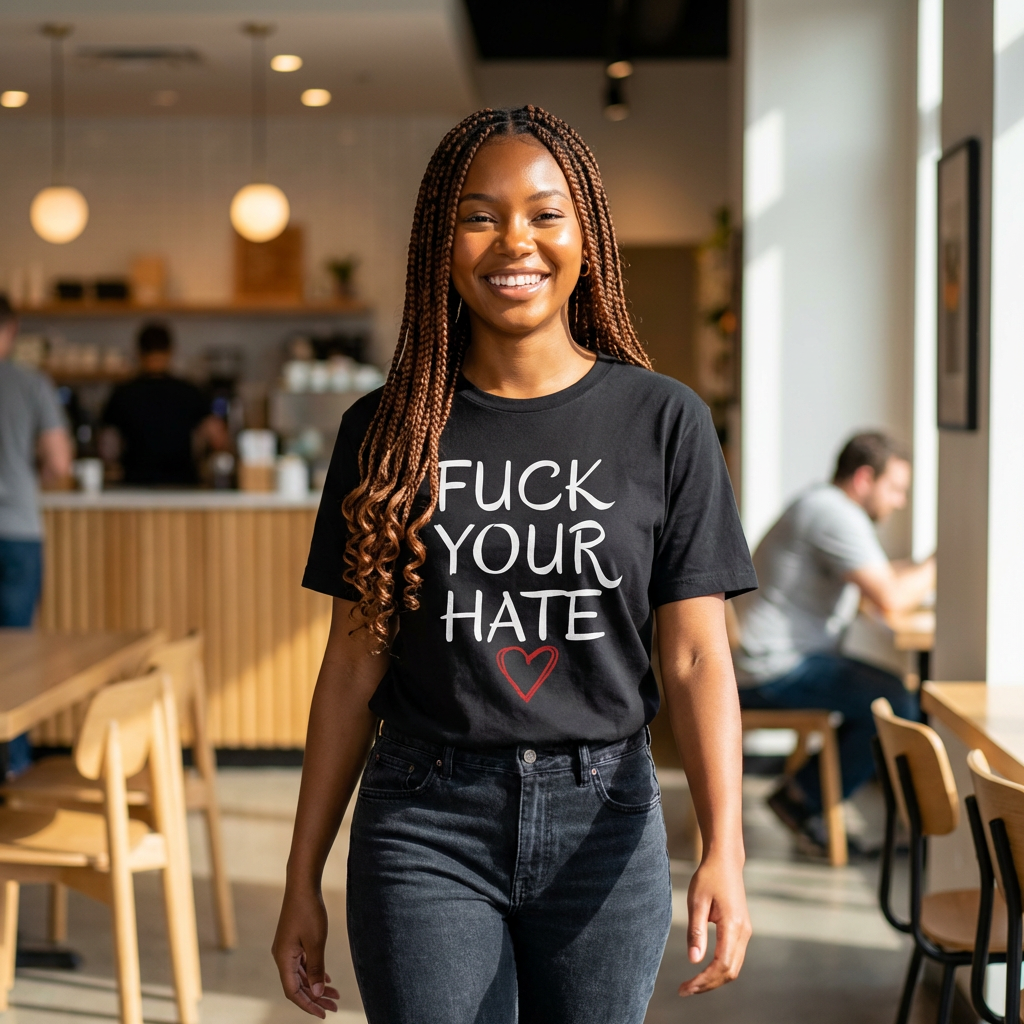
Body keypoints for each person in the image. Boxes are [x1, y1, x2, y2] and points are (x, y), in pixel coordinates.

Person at [272, 106, 759, 1024]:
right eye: (478, 215)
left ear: (588, 235)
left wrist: (724, 849)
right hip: (424, 820)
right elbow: (351, 662)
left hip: (605, 815)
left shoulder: (665, 421)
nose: (514, 242)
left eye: (545, 213)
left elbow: (697, 658)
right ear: (440, 243)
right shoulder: (382, 431)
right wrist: (303, 874)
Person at [733, 431, 935, 849]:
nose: (899, 502)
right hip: (771, 669)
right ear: (864, 478)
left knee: (883, 695)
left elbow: (878, 578)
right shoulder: (835, 515)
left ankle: (802, 795)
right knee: (896, 701)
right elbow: (891, 596)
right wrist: (942, 559)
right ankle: (802, 798)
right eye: (895, 489)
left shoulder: (821, 505)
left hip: (763, 659)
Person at [0, 294, 73, 774]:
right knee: (16, 654)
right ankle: (14, 764)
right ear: (12, 327)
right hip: (17, 531)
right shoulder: (30, 383)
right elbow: (59, 463)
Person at [102, 322, 226, 486]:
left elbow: (107, 449)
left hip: (136, 485)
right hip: (183, 486)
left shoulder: (122, 393)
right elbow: (218, 438)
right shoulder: (190, 391)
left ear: (138, 352)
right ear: (171, 351)